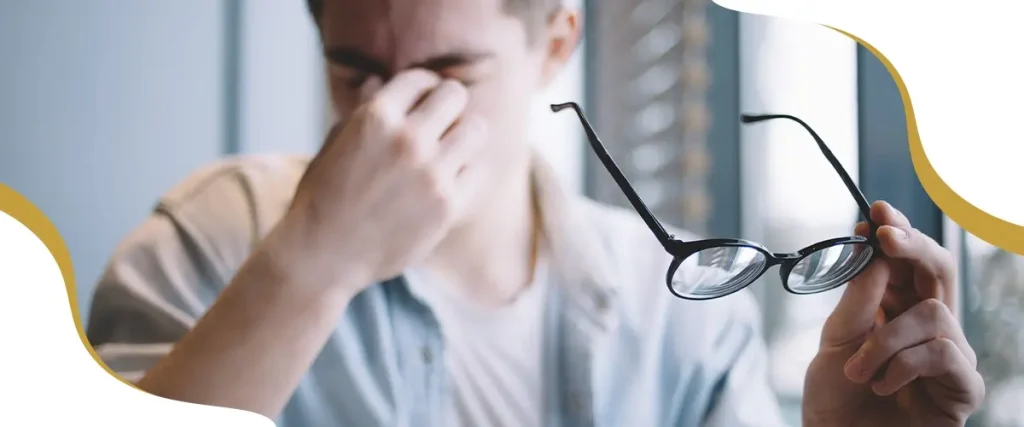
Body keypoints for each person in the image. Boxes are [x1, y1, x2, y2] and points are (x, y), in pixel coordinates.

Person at [84, 0, 985, 426]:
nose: (391, 122)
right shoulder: (207, 245)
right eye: (354, 69)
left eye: (450, 76)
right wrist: (312, 266)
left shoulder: (676, 314)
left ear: (555, 44)